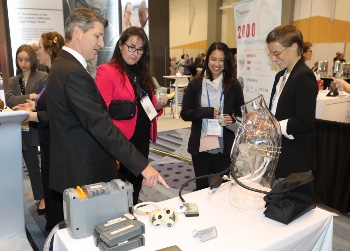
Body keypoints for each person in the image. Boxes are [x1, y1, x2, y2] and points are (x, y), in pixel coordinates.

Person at [45, 8, 168, 226]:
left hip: (77, 165)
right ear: (78, 33)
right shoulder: (72, 71)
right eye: (97, 35)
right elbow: (101, 125)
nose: (101, 43)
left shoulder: (63, 66)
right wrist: (142, 165)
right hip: (82, 171)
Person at [95, 27, 167, 205]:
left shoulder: (143, 75)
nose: (136, 53)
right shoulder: (107, 71)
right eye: (131, 47)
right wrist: (114, 150)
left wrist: (157, 106)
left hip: (141, 141)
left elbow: (147, 108)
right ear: (121, 45)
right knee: (117, 192)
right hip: (120, 143)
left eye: (140, 49)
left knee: (134, 188)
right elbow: (101, 114)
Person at [13, 32, 65, 232]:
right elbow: (49, 103)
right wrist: (33, 105)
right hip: (48, 138)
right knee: (50, 180)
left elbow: (58, 112)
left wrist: (33, 115)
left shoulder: (54, 75)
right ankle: (55, 223)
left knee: (54, 183)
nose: (36, 53)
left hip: (54, 139)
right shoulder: (52, 74)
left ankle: (57, 225)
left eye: (38, 49)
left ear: (49, 50)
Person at [180, 42, 244, 190]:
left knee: (222, 189)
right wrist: (205, 112)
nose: (217, 64)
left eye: (221, 60)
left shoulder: (233, 85)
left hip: (224, 147)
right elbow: (185, 113)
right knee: (201, 188)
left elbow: (240, 114)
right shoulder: (195, 84)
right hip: (201, 146)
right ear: (207, 59)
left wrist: (232, 119)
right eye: (213, 59)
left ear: (226, 62)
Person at [266, 25, 318, 181]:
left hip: (295, 160)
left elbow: (305, 121)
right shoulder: (281, 75)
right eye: (271, 55)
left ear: (295, 46)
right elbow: (277, 111)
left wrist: (273, 126)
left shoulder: (303, 76)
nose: (274, 59)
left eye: (277, 53)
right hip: (280, 155)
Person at [5, 44, 47, 215]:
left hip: (40, 124)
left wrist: (29, 102)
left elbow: (43, 100)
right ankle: (40, 197)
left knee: (46, 164)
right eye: (20, 59)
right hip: (22, 128)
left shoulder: (43, 76)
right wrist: (30, 96)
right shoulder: (13, 80)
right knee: (31, 165)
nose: (23, 63)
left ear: (33, 59)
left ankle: (49, 197)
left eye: (27, 59)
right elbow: (9, 100)